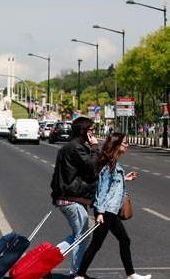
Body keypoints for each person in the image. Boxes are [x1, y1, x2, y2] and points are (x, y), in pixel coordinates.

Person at [75, 133, 151, 279]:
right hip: (106, 211)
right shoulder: (109, 164)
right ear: (116, 145)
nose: (127, 145)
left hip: (110, 210)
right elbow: (102, 189)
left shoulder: (113, 163)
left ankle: (131, 274)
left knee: (121, 240)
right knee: (97, 244)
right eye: (124, 143)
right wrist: (100, 213)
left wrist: (124, 178)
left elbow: (111, 183)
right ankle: (80, 274)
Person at [50, 116, 99, 276]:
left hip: (66, 197)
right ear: (83, 131)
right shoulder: (77, 148)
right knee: (82, 236)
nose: (93, 133)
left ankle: (48, 258)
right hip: (71, 198)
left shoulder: (69, 147)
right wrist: (95, 147)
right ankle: (76, 272)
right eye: (91, 129)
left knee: (79, 235)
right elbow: (92, 167)